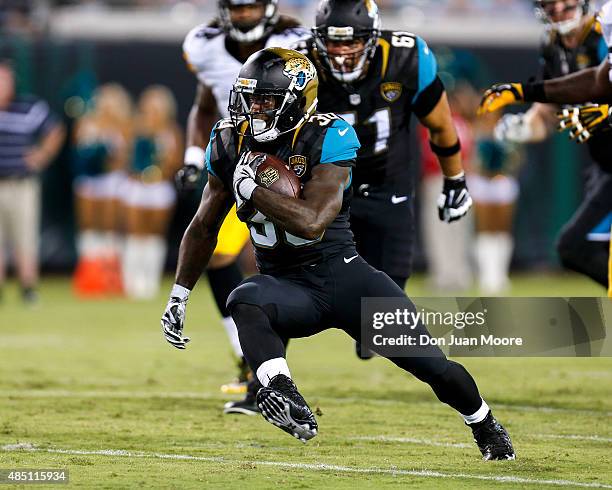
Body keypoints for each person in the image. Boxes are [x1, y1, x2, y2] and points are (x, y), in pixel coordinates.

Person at [160, 47, 515, 461]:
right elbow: (204, 226)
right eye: (249, 98)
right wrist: (180, 293)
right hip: (287, 286)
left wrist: (252, 189)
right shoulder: (228, 140)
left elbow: (312, 221)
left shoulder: (328, 134)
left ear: (297, 100)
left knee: (433, 366)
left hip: (344, 278)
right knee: (244, 297)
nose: (254, 109)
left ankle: (484, 423)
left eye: (267, 101)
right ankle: (281, 393)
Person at [295, 0, 472, 360]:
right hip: (326, 187)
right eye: (333, 42)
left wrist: (455, 179)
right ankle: (261, 373)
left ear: (373, 38)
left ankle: (366, 326)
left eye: (352, 42)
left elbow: (439, 123)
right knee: (295, 278)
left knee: (388, 305)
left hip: (387, 182)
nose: (342, 51)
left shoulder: (406, 58)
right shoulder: (301, 65)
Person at [178, 0, 309, 403]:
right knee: (217, 254)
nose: (245, 15)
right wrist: (192, 157)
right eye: (237, 7)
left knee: (271, 264)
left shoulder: (295, 43)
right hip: (237, 162)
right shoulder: (206, 47)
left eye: (252, 6)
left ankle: (266, 368)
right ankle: (250, 358)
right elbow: (203, 107)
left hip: (287, 164)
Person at [478, 0, 612, 290]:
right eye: (553, 5)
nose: (561, 11)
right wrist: (523, 127)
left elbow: (595, 84)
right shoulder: (553, 44)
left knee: (578, 245)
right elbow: (561, 102)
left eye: (567, 4)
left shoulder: (603, 33)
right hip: (605, 164)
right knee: (577, 247)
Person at [0, 60, 65, 303]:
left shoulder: (27, 107)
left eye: (4, 80)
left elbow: (55, 129)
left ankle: (28, 288)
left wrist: (42, 155)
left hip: (20, 184)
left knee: (24, 237)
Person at [121, 86, 183, 299]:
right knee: (136, 233)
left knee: (155, 235)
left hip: (160, 187)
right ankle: (131, 281)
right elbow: (125, 154)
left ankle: (150, 281)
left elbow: (176, 159)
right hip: (137, 186)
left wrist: (162, 168)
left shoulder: (170, 130)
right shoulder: (135, 127)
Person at [72, 83, 133, 297]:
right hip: (88, 181)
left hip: (111, 180)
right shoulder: (85, 123)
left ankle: (111, 277)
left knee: (110, 227)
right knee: (89, 226)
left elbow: (125, 157)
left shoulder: (124, 126)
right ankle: (89, 275)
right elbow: (78, 152)